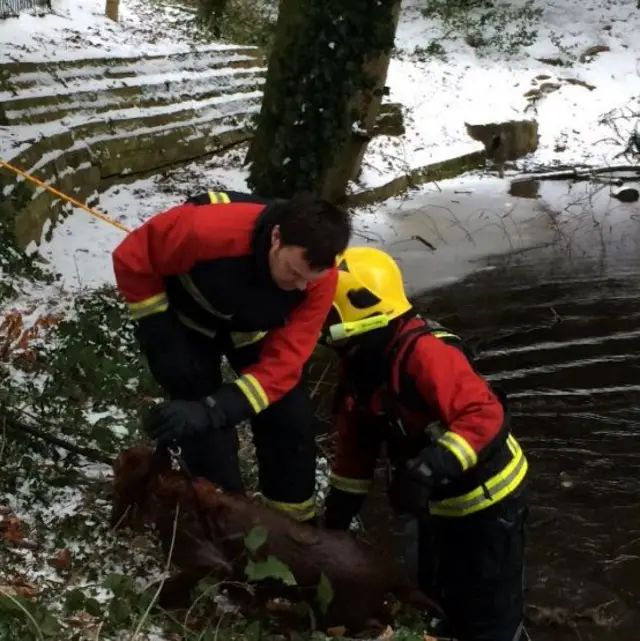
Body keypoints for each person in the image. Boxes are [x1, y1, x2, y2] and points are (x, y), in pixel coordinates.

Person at [320, 246, 529, 641]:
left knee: (489, 614)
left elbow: (484, 415)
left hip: (489, 502)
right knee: (432, 595)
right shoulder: (362, 366)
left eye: (326, 312)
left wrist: (431, 467)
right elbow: (356, 447)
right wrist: (336, 519)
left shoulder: (426, 353)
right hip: (434, 503)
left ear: (358, 313)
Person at [111, 189, 352, 524]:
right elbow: (133, 256)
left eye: (308, 280)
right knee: (197, 413)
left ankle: (292, 527)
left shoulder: (320, 281)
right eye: (293, 272)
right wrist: (157, 328)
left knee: (289, 416)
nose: (299, 287)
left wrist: (218, 408)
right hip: (186, 321)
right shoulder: (206, 231)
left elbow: (285, 362)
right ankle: (222, 519)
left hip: (251, 328)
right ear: (276, 238)